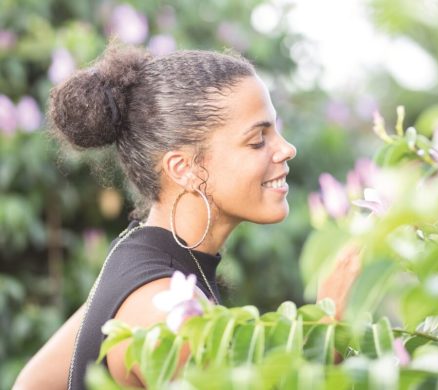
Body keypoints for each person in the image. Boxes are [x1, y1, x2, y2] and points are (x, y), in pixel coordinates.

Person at [14, 42, 360, 390]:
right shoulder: (167, 309)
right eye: (258, 140)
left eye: (276, 131)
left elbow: (32, 384)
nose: (287, 148)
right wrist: (332, 326)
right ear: (183, 168)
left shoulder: (136, 261)